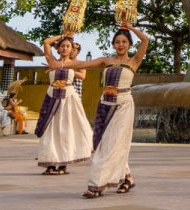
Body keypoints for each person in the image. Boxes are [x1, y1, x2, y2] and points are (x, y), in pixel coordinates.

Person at [59, 22, 150, 197]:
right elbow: (82, 64)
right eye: (117, 42)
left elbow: (145, 40)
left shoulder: (133, 61)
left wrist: (130, 27)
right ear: (113, 44)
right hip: (105, 104)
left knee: (111, 144)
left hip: (123, 106)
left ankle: (97, 185)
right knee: (105, 144)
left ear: (130, 45)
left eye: (124, 42)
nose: (120, 45)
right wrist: (60, 65)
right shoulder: (106, 61)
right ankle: (127, 178)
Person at [36, 35, 93, 175]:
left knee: (67, 131)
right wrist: (63, 35)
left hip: (68, 100)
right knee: (50, 131)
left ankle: (63, 164)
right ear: (58, 48)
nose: (64, 48)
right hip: (51, 98)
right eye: (62, 45)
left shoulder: (75, 64)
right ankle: (50, 163)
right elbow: (46, 42)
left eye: (68, 46)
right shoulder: (52, 61)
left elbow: (83, 75)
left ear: (72, 49)